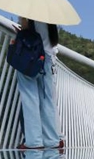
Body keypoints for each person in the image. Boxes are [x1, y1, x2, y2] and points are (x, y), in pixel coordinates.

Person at [16, 18, 62, 150]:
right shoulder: (52, 19)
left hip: (31, 56)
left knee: (29, 96)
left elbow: (25, 31)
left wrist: (21, 29)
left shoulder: (30, 11)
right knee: (47, 99)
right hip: (48, 59)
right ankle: (52, 140)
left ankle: (34, 141)